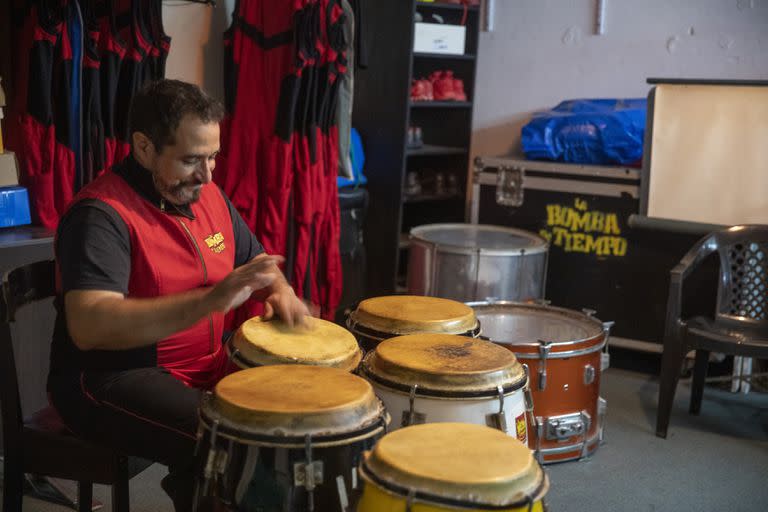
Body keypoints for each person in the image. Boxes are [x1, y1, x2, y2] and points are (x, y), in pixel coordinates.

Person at [47, 79, 310, 511]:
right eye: (191, 160)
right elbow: (89, 325)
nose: (207, 175)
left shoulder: (209, 197)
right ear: (144, 147)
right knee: (233, 440)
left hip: (205, 365)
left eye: (212, 157)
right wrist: (209, 300)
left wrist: (280, 291)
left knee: (299, 412)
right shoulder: (101, 216)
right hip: (111, 377)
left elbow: (259, 262)